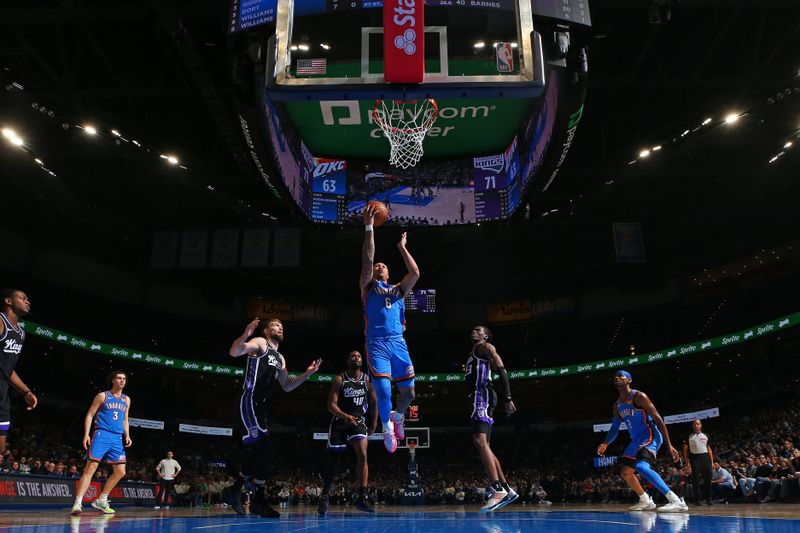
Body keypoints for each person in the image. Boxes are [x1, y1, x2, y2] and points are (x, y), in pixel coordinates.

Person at [221, 318, 322, 518]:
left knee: (263, 453)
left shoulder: (280, 357)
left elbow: (287, 386)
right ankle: (253, 498)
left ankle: (236, 491)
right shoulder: (260, 343)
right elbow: (234, 352)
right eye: (275, 324)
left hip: (261, 409)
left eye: (281, 326)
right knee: (265, 449)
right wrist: (245, 335)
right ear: (267, 330)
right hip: (248, 401)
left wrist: (308, 374)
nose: (280, 327)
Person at [360, 204, 420, 453]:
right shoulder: (368, 287)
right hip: (377, 344)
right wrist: (369, 227)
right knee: (383, 391)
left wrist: (402, 248)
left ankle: (398, 417)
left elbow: (415, 272)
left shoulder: (397, 290)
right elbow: (368, 258)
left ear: (389, 272)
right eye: (377, 266)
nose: (379, 266)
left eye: (383, 265)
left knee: (409, 395)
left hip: (398, 343)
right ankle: (386, 426)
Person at [596, 370, 688, 512]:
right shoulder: (617, 405)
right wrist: (605, 443)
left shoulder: (639, 396)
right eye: (615, 377)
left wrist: (669, 444)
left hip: (650, 435)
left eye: (621, 376)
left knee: (641, 467)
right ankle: (645, 500)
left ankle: (676, 500)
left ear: (629, 380)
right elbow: (615, 428)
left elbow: (657, 419)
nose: (617, 378)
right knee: (626, 472)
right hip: (636, 440)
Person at [317, 350, 378, 516]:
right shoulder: (340, 379)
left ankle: (362, 497)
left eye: (358, 356)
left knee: (363, 455)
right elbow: (331, 405)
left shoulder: (367, 380)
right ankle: (324, 495)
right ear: (348, 360)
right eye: (353, 355)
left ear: (361, 361)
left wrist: (374, 422)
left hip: (358, 422)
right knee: (334, 462)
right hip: (340, 422)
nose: (356, 357)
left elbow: (374, 402)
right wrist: (345, 416)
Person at [467, 325, 518, 511]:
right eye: (473, 329)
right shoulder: (473, 353)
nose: (474, 331)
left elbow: (501, 368)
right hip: (477, 398)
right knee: (484, 444)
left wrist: (508, 397)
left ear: (486, 336)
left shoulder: (486, 347)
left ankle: (497, 489)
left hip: (483, 395)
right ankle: (506, 488)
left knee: (479, 441)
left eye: (479, 330)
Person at [71, 371, 132, 515]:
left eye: (124, 378)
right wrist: (86, 434)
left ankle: (102, 500)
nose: (122, 380)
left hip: (117, 438)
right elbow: (90, 415)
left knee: (121, 472)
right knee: (90, 468)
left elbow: (125, 419)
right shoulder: (103, 396)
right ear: (113, 380)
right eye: (119, 378)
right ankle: (77, 504)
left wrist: (127, 435)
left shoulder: (126, 399)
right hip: (101, 434)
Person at [0, 289, 38, 453]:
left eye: (28, 299)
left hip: (2, 394)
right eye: (22, 298)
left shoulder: (20, 334)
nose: (27, 301)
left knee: (1, 450)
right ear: (8, 301)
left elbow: (7, 369)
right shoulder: (0, 321)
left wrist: (26, 392)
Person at [682, 419, 714, 505]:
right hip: (695, 458)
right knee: (696, 480)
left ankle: (708, 499)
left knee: (708, 480)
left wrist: (712, 462)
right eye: (694, 424)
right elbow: (685, 449)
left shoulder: (706, 435)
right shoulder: (688, 436)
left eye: (698, 424)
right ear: (692, 426)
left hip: (705, 457)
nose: (696, 426)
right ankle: (697, 500)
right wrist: (686, 462)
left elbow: (709, 449)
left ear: (701, 425)